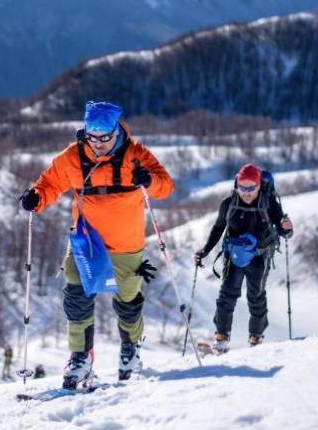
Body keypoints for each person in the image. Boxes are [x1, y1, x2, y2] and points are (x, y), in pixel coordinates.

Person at [20, 100, 174, 389]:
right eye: (93, 137)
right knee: (76, 296)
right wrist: (36, 198)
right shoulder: (73, 156)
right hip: (86, 242)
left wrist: (149, 181)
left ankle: (131, 346)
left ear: (116, 131)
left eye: (106, 137)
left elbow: (166, 185)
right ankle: (80, 357)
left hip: (126, 244)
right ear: (85, 133)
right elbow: (50, 183)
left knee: (128, 301)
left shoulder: (136, 154)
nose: (100, 143)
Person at [194, 163, 293, 353]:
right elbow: (218, 228)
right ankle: (221, 338)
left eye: (251, 188)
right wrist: (205, 251)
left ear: (258, 186)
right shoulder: (228, 203)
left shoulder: (270, 204)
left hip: (259, 256)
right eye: (242, 187)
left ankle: (256, 338)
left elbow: (283, 231)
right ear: (236, 185)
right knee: (226, 295)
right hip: (233, 255)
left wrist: (287, 228)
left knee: (255, 296)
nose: (246, 192)